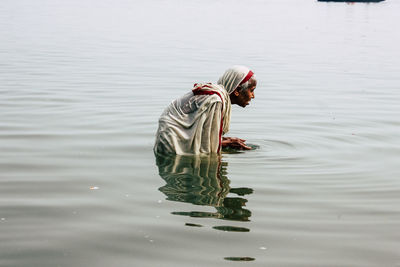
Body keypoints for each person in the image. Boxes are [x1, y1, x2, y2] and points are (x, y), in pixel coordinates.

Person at [154, 65, 257, 155]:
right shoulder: (216, 101)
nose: (253, 96)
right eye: (252, 90)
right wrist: (228, 143)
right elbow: (205, 144)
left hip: (166, 139)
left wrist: (225, 140)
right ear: (237, 90)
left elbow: (202, 135)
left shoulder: (217, 95)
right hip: (173, 143)